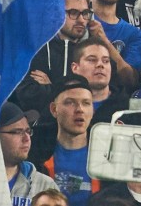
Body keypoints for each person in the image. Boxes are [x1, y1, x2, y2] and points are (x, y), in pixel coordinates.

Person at [41, 76, 99, 206]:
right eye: (70, 102)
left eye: (86, 103)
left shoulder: (106, 157)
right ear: (54, 109)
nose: (79, 109)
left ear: (93, 110)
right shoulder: (35, 156)